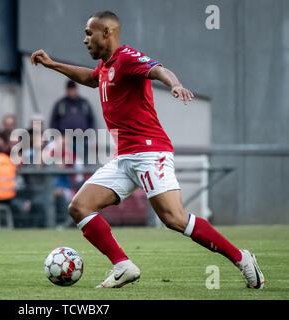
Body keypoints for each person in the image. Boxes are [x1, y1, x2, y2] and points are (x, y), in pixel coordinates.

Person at [31, 11, 264, 289]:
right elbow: (92, 79)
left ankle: (242, 259)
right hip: (125, 158)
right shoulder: (105, 67)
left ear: (107, 32)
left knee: (174, 219)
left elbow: (158, 69)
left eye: (89, 33)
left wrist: (174, 84)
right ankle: (123, 265)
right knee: (79, 206)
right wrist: (52, 64)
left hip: (150, 152)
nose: (85, 40)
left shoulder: (127, 58)